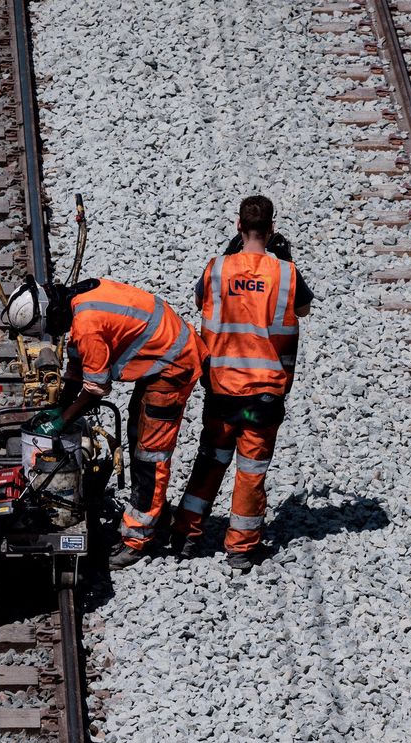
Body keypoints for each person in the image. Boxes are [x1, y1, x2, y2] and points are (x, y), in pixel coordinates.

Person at [8, 275, 206, 570]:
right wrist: (61, 407)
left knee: (150, 455)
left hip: (173, 366)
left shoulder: (87, 324)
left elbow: (95, 388)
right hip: (160, 359)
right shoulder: (78, 303)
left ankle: (136, 540)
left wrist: (61, 422)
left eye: (50, 327)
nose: (54, 332)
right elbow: (77, 369)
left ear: (50, 311)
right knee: (136, 434)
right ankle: (157, 512)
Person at [171, 195, 314, 572]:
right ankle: (240, 548)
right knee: (251, 472)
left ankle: (185, 534)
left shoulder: (217, 268)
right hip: (263, 396)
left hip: (221, 390)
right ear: (271, 228)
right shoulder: (285, 273)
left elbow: (201, 298)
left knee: (210, 460)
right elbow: (302, 310)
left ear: (237, 226)